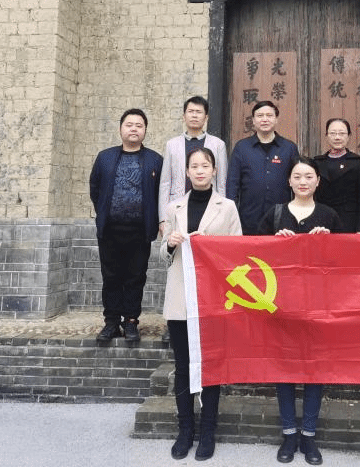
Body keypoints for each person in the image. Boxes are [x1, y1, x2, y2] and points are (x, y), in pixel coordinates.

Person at [258, 156, 341, 466]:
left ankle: (309, 434)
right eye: (297, 176)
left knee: (313, 370)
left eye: (309, 176)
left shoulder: (329, 215)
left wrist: (329, 242)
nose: (303, 181)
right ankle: (289, 433)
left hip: (318, 305)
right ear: (289, 181)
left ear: (317, 181)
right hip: (281, 306)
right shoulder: (275, 213)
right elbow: (254, 257)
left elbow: (346, 263)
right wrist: (274, 242)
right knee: (284, 369)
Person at [161, 147, 242, 461]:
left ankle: (208, 431)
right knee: (183, 366)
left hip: (214, 298)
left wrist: (211, 246)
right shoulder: (174, 207)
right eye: (194, 166)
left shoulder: (228, 207)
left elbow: (237, 252)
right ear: (187, 172)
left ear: (214, 170)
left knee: (211, 366)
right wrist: (170, 243)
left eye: (205, 165)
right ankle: (185, 430)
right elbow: (162, 254)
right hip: (181, 296)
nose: (199, 171)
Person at [89, 108, 163, 345]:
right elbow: (95, 188)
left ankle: (130, 321)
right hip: (110, 229)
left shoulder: (155, 160)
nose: (134, 129)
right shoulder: (105, 157)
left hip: (139, 231)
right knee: (111, 277)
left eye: (139, 126)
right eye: (129, 125)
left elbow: (159, 193)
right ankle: (111, 322)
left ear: (145, 130)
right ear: (121, 128)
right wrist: (106, 211)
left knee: (135, 277)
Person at [226, 100, 299, 235]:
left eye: (269, 115)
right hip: (248, 218)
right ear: (253, 121)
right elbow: (232, 184)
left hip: (282, 219)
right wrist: (231, 215)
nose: (265, 119)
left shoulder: (289, 148)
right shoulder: (242, 147)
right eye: (260, 116)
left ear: (276, 119)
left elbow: (297, 182)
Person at [158, 95, 228, 234]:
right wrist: (163, 218)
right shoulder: (172, 145)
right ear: (184, 116)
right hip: (179, 206)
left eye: (199, 112)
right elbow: (165, 182)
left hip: (209, 208)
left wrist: (223, 213)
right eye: (190, 112)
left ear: (206, 117)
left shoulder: (218, 145)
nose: (194, 115)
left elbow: (221, 182)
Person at [313, 117, 360, 233]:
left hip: (349, 222)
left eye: (342, 133)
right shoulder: (317, 162)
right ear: (326, 136)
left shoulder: (359, 163)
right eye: (333, 133)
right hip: (321, 221)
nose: (337, 137)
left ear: (349, 136)